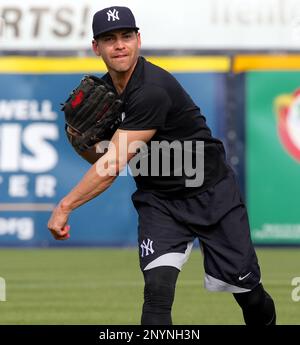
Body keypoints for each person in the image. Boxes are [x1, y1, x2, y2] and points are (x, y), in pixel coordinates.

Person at [47, 6, 276, 325]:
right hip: (160, 202)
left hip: (212, 195)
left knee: (249, 293)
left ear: (138, 39)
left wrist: (65, 206)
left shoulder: (151, 89)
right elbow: (106, 157)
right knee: (156, 293)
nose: (120, 45)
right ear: (96, 47)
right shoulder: (105, 93)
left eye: (126, 36)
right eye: (109, 39)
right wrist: (79, 143)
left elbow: (112, 166)